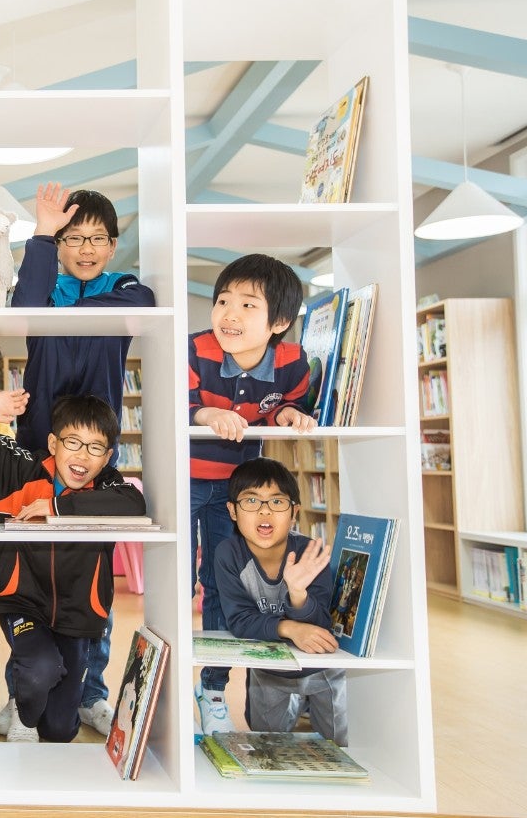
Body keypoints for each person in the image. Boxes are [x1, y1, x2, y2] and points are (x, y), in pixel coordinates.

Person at [0, 183, 156, 739]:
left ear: (113, 245)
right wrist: (39, 235)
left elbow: (143, 303)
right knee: (27, 578)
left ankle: (91, 693)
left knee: (94, 588)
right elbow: (23, 308)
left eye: (97, 239)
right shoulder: (44, 287)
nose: (86, 249)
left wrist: (60, 308)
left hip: (96, 464)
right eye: (72, 238)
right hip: (40, 456)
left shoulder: (125, 287)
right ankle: (22, 692)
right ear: (57, 243)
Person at [0, 390, 147, 743]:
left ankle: (48, 705)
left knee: (61, 730)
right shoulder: (19, 471)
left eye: (96, 448)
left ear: (108, 456)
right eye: (73, 442)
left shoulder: (108, 484)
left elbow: (134, 501)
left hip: (78, 613)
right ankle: (23, 708)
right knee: (39, 668)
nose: (82, 456)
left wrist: (57, 508)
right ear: (52, 443)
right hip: (23, 602)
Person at [188, 253, 314, 732]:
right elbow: (184, 399)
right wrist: (206, 416)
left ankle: (214, 686)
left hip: (236, 488)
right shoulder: (194, 348)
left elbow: (288, 400)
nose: (229, 314)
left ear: (278, 322)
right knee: (179, 575)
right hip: (188, 477)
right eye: (222, 301)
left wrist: (287, 414)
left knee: (225, 579)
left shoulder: (291, 361)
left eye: (247, 305)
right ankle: (166, 668)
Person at [214, 457, 347, 745]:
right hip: (270, 670)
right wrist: (290, 628)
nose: (264, 512)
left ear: (294, 512)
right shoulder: (229, 553)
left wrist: (298, 594)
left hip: (321, 667)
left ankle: (308, 704)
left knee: (338, 742)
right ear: (233, 512)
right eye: (251, 502)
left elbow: (323, 624)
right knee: (267, 741)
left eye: (277, 502)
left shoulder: (310, 554)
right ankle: (298, 706)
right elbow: (239, 619)